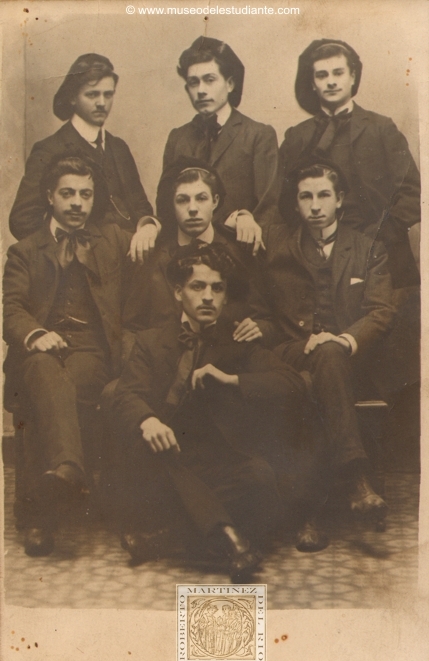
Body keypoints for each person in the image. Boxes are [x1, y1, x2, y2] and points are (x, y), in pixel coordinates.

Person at [113, 242, 306, 582]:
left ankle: (169, 537)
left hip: (211, 462)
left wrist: (231, 378)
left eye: (217, 288)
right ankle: (233, 540)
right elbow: (126, 394)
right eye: (197, 286)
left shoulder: (236, 341)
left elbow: (292, 383)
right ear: (177, 291)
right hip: (159, 459)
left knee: (260, 476)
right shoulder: (150, 341)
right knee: (164, 459)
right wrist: (149, 421)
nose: (208, 297)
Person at [251, 161, 397, 528]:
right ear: (296, 202)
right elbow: (263, 313)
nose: (315, 206)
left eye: (323, 195)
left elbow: (380, 312)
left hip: (347, 357)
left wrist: (344, 339)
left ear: (340, 199)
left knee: (324, 365)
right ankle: (357, 480)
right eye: (305, 196)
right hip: (290, 351)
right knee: (318, 361)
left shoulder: (368, 248)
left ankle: (308, 513)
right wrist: (260, 330)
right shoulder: (275, 246)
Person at [3, 155, 134, 557]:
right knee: (43, 371)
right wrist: (37, 333)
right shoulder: (25, 250)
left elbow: (155, 238)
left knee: (53, 391)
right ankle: (69, 472)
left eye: (86, 194)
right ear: (49, 197)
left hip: (91, 351)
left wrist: (149, 225)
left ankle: (41, 516)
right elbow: (11, 308)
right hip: (41, 350)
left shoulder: (113, 238)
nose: (77, 203)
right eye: (67, 193)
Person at [279, 39, 421, 288]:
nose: (331, 81)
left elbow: (413, 194)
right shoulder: (297, 136)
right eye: (322, 75)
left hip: (379, 248)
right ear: (312, 83)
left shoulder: (381, 128)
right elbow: (280, 199)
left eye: (338, 73)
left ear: (353, 77)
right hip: (314, 252)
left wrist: (377, 237)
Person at [9, 53, 160, 262]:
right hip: (82, 269)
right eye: (92, 95)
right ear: (73, 97)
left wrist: (148, 227)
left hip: (129, 261)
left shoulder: (118, 148)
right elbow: (22, 220)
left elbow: (141, 207)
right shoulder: (49, 149)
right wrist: (66, 254)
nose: (101, 103)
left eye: (108, 95)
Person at [156, 36, 282, 251]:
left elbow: (268, 209)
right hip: (186, 256)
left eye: (210, 79)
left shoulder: (258, 135)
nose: (201, 90)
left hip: (239, 255)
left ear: (230, 83)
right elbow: (166, 205)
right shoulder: (178, 138)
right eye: (193, 83)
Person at [124, 157, 264, 343]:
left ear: (214, 201)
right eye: (182, 200)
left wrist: (257, 329)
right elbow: (131, 328)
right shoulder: (154, 256)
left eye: (201, 198)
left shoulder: (238, 249)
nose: (192, 209)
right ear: (172, 206)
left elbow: (265, 319)